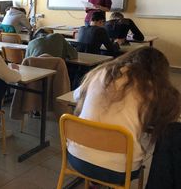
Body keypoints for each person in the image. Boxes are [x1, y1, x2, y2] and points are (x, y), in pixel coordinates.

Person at [69, 47, 181, 185]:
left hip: (76, 157)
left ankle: (95, 182)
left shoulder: (100, 72)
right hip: (119, 170)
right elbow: (162, 118)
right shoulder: (153, 88)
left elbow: (75, 95)